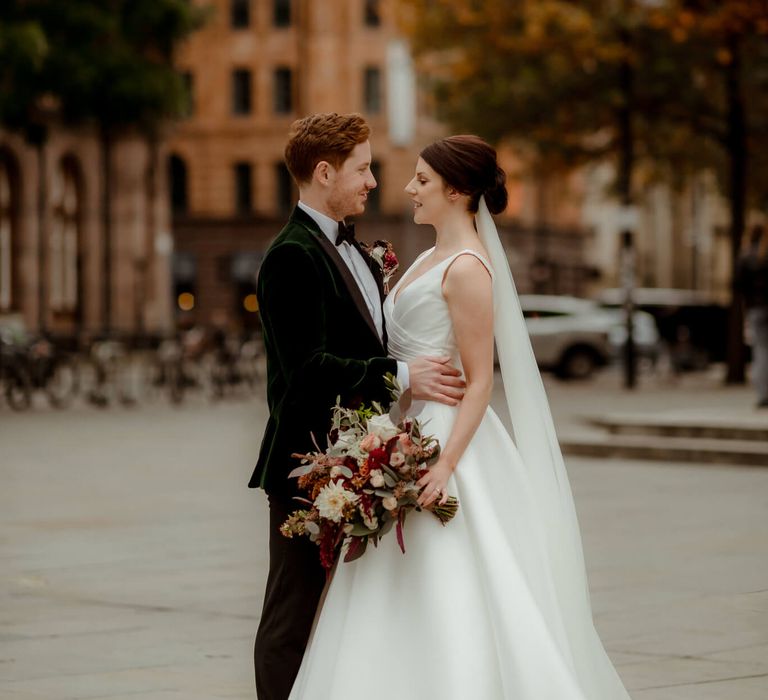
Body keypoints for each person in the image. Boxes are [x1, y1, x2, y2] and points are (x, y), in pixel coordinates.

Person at [287, 136, 633, 700]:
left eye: (421, 180)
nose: (408, 189)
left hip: (448, 441)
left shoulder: (470, 267)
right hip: (409, 430)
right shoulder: (427, 257)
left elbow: (479, 382)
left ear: (456, 190)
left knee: (452, 580)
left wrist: (446, 465)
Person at [250, 113, 466, 700]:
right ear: (324, 173)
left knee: (359, 610)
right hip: (309, 461)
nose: (373, 181)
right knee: (293, 614)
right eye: (363, 168)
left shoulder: (355, 250)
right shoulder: (291, 255)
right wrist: (400, 375)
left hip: (365, 453)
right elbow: (308, 369)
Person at [736, 224, 768, 408]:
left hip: (756, 309)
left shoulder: (747, 256)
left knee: (761, 351)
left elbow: (738, 285)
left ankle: (763, 393)